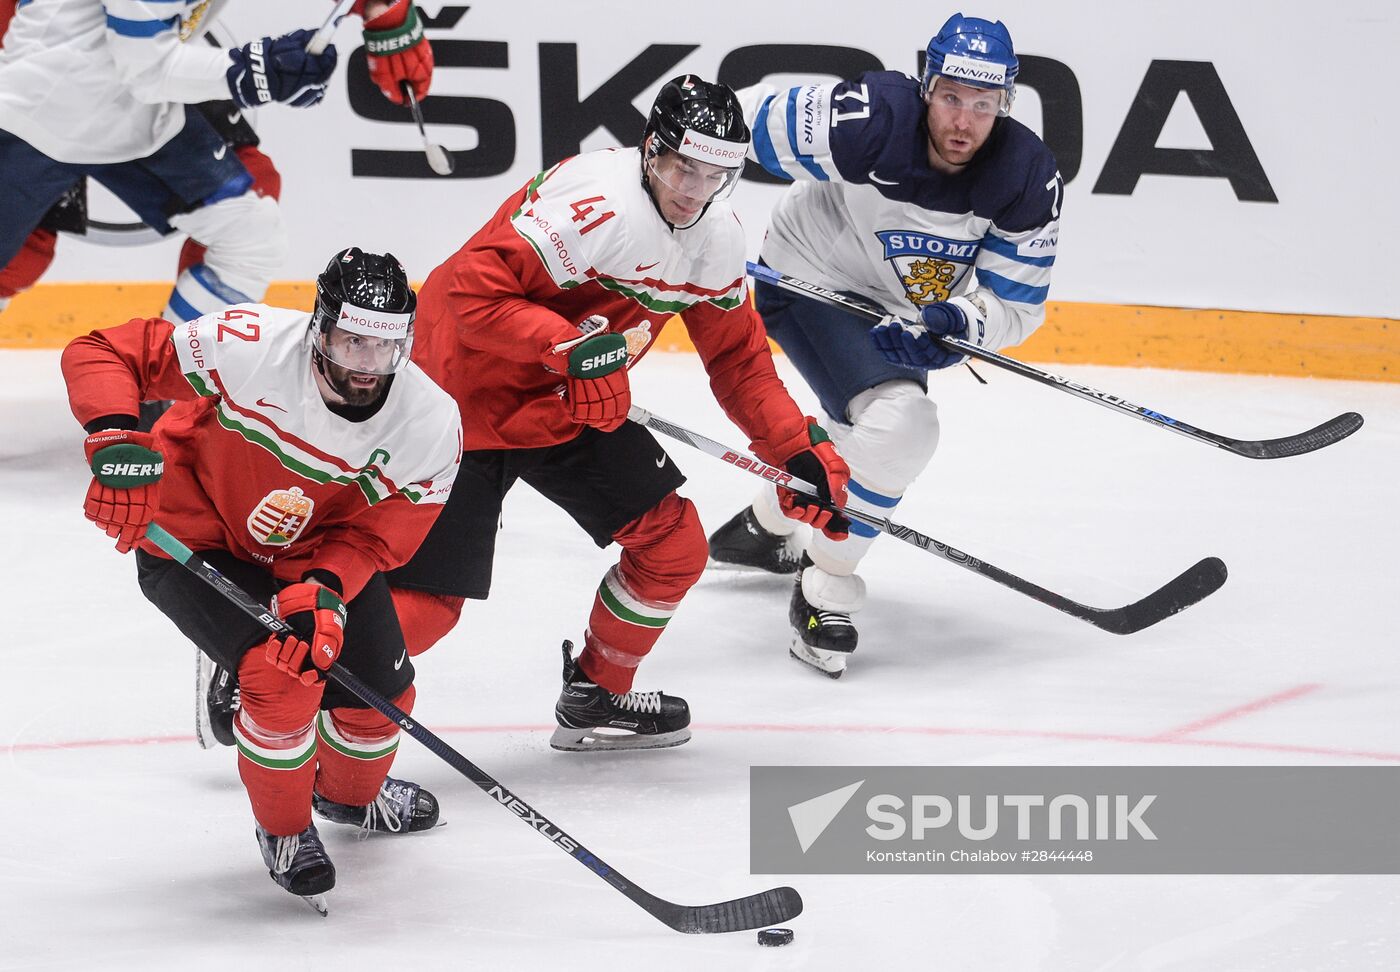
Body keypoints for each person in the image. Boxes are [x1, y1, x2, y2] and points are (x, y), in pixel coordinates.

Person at [384, 75, 852, 752]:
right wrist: (568, 349)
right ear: (650, 150)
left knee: (673, 546)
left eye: (715, 174)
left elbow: (740, 362)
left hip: (571, 403)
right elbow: (464, 294)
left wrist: (792, 448)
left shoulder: (714, 240)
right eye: (681, 166)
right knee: (427, 607)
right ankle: (266, 669)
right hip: (464, 397)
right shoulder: (596, 203)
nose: (692, 190)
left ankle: (596, 693)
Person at [60, 248, 463, 912]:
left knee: (378, 703)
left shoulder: (430, 422)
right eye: (351, 341)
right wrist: (113, 439)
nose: (366, 366)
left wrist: (325, 591)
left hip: (311, 554)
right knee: (278, 681)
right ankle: (284, 829)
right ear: (319, 328)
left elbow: (376, 534)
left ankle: (345, 797)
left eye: (384, 348)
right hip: (196, 535)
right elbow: (104, 349)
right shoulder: (245, 345)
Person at [706, 14, 1063, 678]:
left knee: (883, 430)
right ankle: (824, 587)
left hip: (900, 312)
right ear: (928, 86)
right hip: (812, 278)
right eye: (952, 97)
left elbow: (1014, 305)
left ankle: (771, 517)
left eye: (984, 105)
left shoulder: (1025, 174)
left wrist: (960, 324)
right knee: (902, 425)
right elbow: (723, 120)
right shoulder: (869, 117)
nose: (964, 120)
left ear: (1004, 105)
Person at [0, 0, 433, 324]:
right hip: (35, 97)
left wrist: (385, 10)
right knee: (22, 254)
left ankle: (169, 393)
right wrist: (256, 72)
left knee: (250, 232)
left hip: (127, 96)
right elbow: (148, 67)